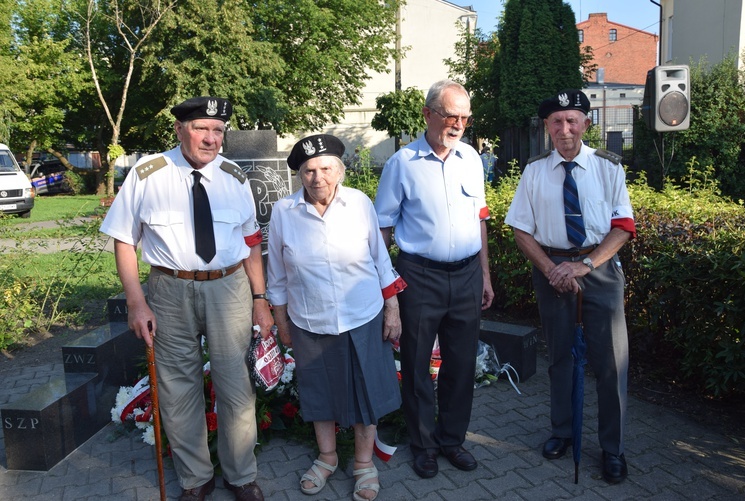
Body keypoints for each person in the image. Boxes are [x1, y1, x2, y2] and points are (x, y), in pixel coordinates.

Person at [100, 96, 272, 501]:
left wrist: (260, 297)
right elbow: (124, 240)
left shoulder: (234, 177)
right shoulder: (148, 174)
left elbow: (250, 242)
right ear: (180, 130)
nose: (211, 139)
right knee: (178, 387)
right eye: (201, 129)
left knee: (237, 385)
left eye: (217, 130)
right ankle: (195, 479)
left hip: (229, 287)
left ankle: (241, 475)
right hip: (168, 290)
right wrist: (136, 302)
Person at [504, 89, 636, 484]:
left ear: (586, 123)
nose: (565, 129)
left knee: (612, 363)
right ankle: (562, 432)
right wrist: (550, 268)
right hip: (552, 271)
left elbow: (623, 227)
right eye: (557, 121)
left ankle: (613, 449)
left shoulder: (608, 167)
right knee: (560, 357)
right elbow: (519, 228)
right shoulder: (534, 171)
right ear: (547, 127)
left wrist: (584, 266)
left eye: (572, 120)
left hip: (598, 269)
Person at [266, 134, 406, 501]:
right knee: (319, 393)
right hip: (309, 320)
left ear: (340, 171)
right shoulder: (284, 212)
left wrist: (392, 308)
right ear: (299, 175)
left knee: (366, 393)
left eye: (326, 168)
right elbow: (277, 274)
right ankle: (327, 458)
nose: (318, 177)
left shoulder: (359, 203)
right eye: (309, 170)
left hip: (362, 316)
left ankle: (363, 464)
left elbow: (380, 259)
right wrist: (281, 324)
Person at [374, 79, 495, 479]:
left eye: (465, 117)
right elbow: (383, 231)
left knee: (461, 365)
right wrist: (386, 287)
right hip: (418, 277)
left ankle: (452, 441)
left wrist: (485, 276)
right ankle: (423, 445)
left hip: (465, 277)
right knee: (416, 363)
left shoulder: (472, 160)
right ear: (428, 114)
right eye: (451, 115)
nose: (458, 124)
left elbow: (480, 221)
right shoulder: (401, 164)